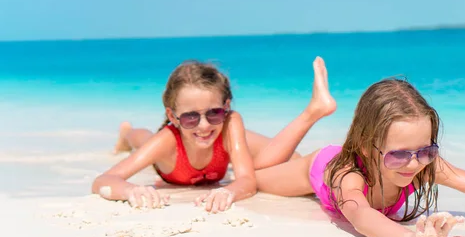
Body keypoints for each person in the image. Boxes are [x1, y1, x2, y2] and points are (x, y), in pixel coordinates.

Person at [254, 59, 465, 237]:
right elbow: (361, 215)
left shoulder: (422, 162)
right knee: (255, 176)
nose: (414, 164)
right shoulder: (348, 174)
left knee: (273, 161)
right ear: (365, 146)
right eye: (399, 155)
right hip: (319, 167)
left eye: (426, 150)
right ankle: (313, 112)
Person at [92, 58, 336, 213]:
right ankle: (126, 133)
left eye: (215, 113)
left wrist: (229, 190)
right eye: (190, 117)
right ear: (173, 116)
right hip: (168, 152)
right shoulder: (167, 141)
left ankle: (312, 112)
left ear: (226, 107)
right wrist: (130, 191)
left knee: (291, 157)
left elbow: (246, 180)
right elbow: (104, 181)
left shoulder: (230, 123)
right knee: (142, 138)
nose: (204, 125)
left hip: (223, 139)